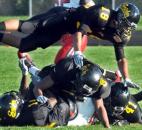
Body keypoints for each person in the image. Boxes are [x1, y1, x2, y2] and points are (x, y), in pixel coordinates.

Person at [0, 3, 140, 88]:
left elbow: (121, 58)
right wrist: (78, 52)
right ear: (120, 18)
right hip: (63, 16)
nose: (127, 30)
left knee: (27, 45)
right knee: (29, 27)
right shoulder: (102, 14)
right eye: (127, 25)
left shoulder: (120, 34)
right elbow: (79, 32)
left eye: (130, 27)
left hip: (65, 29)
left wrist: (126, 78)